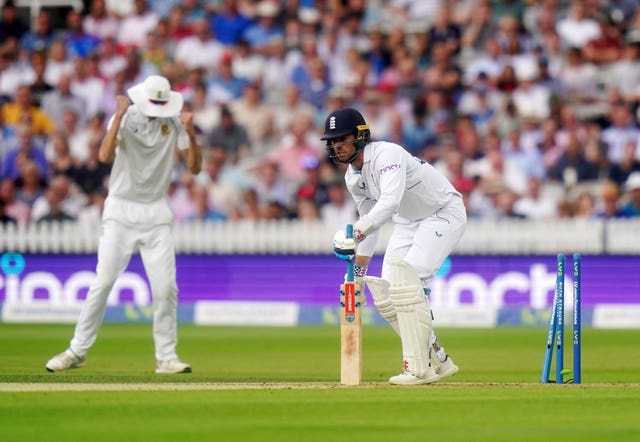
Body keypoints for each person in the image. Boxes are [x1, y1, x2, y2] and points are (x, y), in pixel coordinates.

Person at [45, 75, 202, 374]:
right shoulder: (127, 116)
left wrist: (192, 134)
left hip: (156, 213)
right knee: (103, 282)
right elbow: (104, 154)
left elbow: (195, 168)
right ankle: (76, 350)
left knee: (166, 288)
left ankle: (166, 357)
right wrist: (117, 115)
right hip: (120, 210)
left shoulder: (175, 121)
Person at [325, 107, 466, 386]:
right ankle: (438, 358)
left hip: (442, 212)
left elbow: (388, 203)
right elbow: (370, 226)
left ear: (360, 137)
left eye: (342, 139)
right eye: (333, 141)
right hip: (408, 222)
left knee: (406, 280)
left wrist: (357, 231)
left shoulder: (388, 155)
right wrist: (358, 275)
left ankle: (418, 369)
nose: (337, 146)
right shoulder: (353, 178)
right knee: (387, 293)